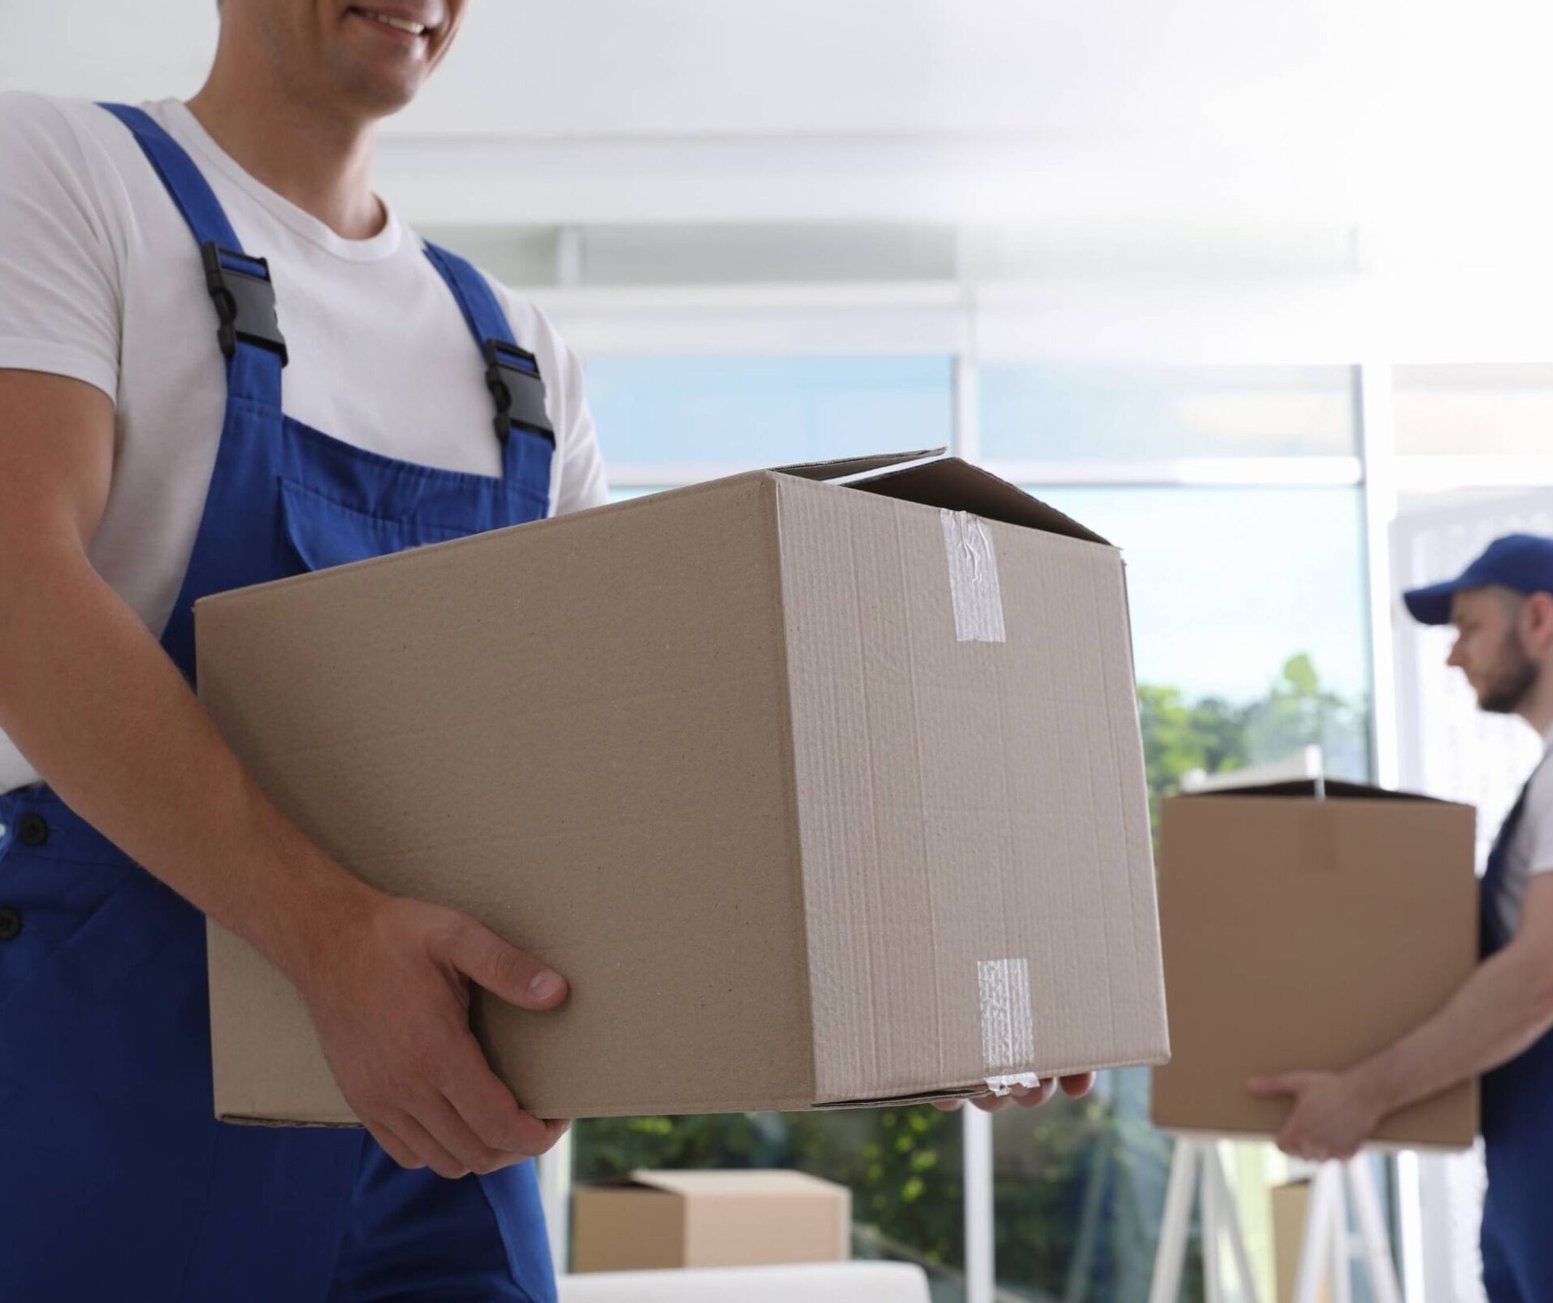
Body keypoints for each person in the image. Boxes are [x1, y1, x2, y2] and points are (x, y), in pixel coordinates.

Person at [0, 4, 1083, 1296]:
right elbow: (19, 588)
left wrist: (903, 973)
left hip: (454, 1111)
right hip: (126, 1066)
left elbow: (624, 771)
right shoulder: (63, 174)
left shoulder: (513, 352)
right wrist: (332, 939)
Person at [1249, 533, 1553, 1302]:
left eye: (1469, 626)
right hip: (1537, 1153)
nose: (1453, 655)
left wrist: (1364, 1092)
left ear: (1539, 619)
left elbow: (1550, 971)